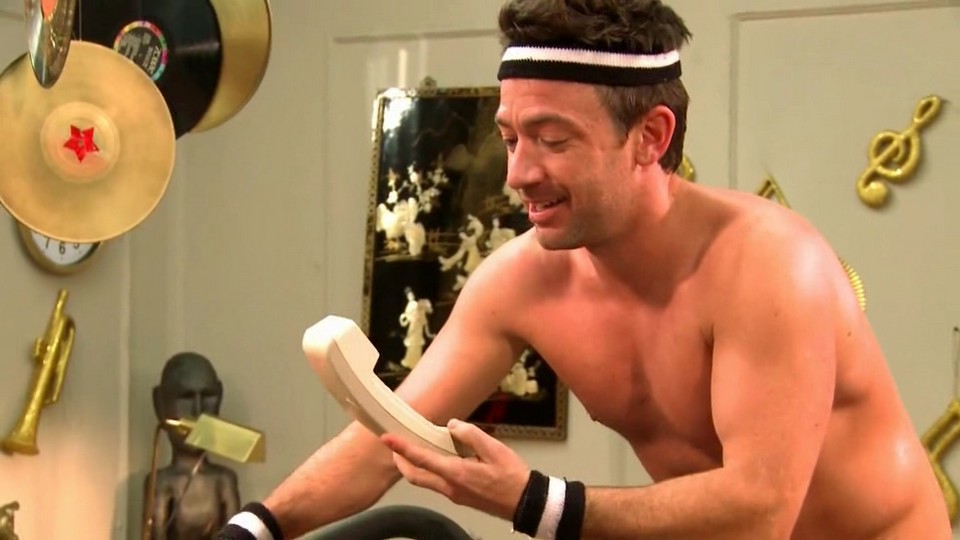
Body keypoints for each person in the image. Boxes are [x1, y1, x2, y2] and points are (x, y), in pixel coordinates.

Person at [219, 1, 951, 539]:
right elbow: (390, 439)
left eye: (552, 139)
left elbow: (761, 512)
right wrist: (253, 528)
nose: (517, 173)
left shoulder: (769, 264)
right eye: (511, 138)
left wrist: (534, 501)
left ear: (650, 137)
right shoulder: (521, 281)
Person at [148, 352, 240, 539]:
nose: (198, 410)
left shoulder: (224, 480)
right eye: (186, 397)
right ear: (160, 403)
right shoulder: (162, 482)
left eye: (208, 395)